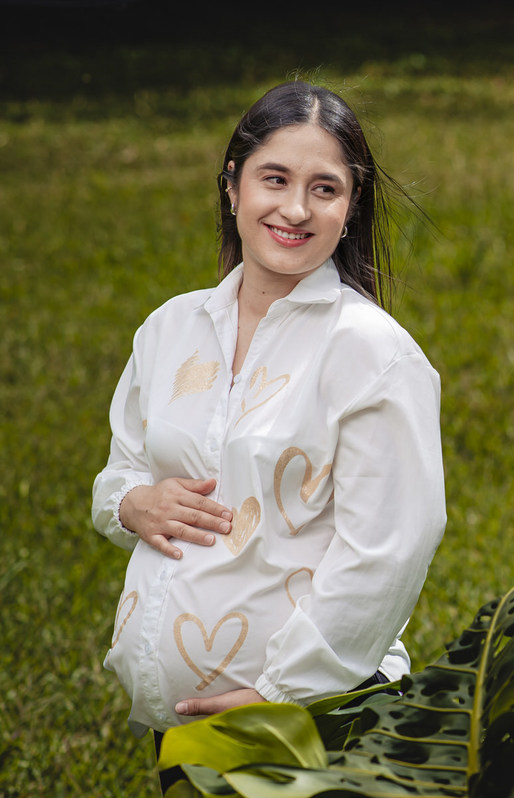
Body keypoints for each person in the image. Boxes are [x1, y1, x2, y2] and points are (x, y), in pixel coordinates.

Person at [91, 80, 446, 789]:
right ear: (232, 186)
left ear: (351, 206)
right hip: (182, 725)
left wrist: (280, 694)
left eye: (324, 188)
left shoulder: (372, 354)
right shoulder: (170, 329)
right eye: (274, 179)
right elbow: (119, 474)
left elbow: (388, 549)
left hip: (313, 719)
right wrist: (133, 504)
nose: (295, 209)